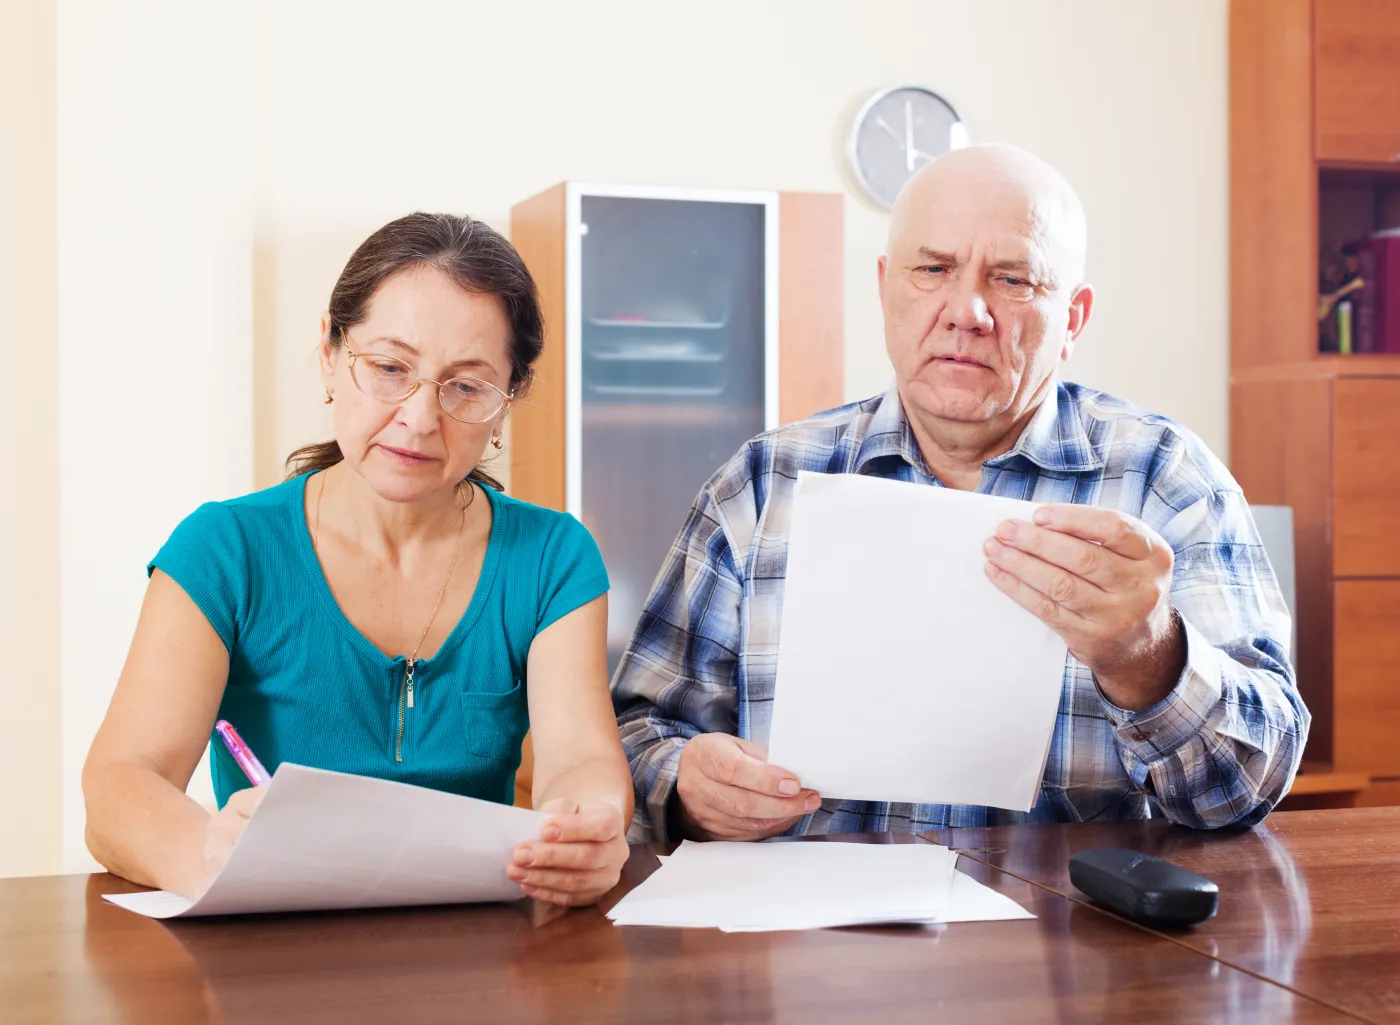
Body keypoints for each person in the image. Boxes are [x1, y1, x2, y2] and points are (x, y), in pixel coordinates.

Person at [612, 145, 1309, 842]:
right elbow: (638, 730)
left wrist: (1149, 655)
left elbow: (1249, 788)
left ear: (1073, 318)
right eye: (933, 269)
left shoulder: (1165, 478)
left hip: (1065, 937)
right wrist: (685, 784)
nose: (966, 310)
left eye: (1012, 279)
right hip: (809, 939)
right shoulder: (764, 484)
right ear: (886, 286)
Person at [84, 213, 631, 907]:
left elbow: (579, 759)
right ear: (330, 355)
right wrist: (204, 849)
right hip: (273, 950)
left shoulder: (553, 557)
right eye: (389, 368)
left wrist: (588, 825)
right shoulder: (224, 549)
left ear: (508, 399)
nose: (419, 417)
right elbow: (120, 786)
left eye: (466, 386)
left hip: (478, 953)